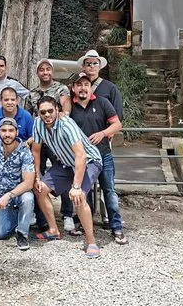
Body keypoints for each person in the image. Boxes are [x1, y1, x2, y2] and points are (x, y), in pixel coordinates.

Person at [32, 95, 103, 258]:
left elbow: (81, 155)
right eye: (43, 112)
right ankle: (53, 230)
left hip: (89, 161)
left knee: (79, 197)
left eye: (50, 111)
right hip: (66, 163)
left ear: (57, 109)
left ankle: (91, 242)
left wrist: (76, 186)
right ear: (38, 113)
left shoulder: (66, 124)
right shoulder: (37, 124)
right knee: (40, 189)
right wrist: (37, 177)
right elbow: (35, 151)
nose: (47, 115)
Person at [69, 72, 127, 245]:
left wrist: (103, 133)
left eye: (86, 84)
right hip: (83, 158)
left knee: (109, 190)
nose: (83, 88)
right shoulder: (69, 108)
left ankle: (116, 226)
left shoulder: (102, 102)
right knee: (84, 191)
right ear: (73, 88)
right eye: (79, 85)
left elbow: (117, 124)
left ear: (90, 87)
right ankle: (85, 224)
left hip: (103, 154)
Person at [26, 59, 75, 234]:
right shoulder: (32, 93)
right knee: (37, 174)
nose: (45, 72)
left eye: (48, 69)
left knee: (64, 173)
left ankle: (67, 214)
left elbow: (66, 106)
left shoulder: (61, 88)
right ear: (37, 72)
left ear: (52, 71)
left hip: (57, 140)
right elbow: (29, 116)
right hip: (39, 139)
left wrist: (64, 115)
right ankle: (41, 217)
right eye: (41, 69)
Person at [0, 117, 35, 251]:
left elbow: (29, 183)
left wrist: (9, 195)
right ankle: (22, 216)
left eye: (11, 130)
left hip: (18, 193)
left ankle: (22, 234)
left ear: (17, 132)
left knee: (28, 198)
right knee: (0, 234)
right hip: (0, 194)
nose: (7, 134)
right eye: (4, 130)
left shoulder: (24, 151)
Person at [77, 50, 123, 119]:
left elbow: (118, 113)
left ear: (100, 66)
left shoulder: (110, 87)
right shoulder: (77, 87)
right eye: (88, 64)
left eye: (95, 63)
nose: (92, 66)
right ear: (83, 66)